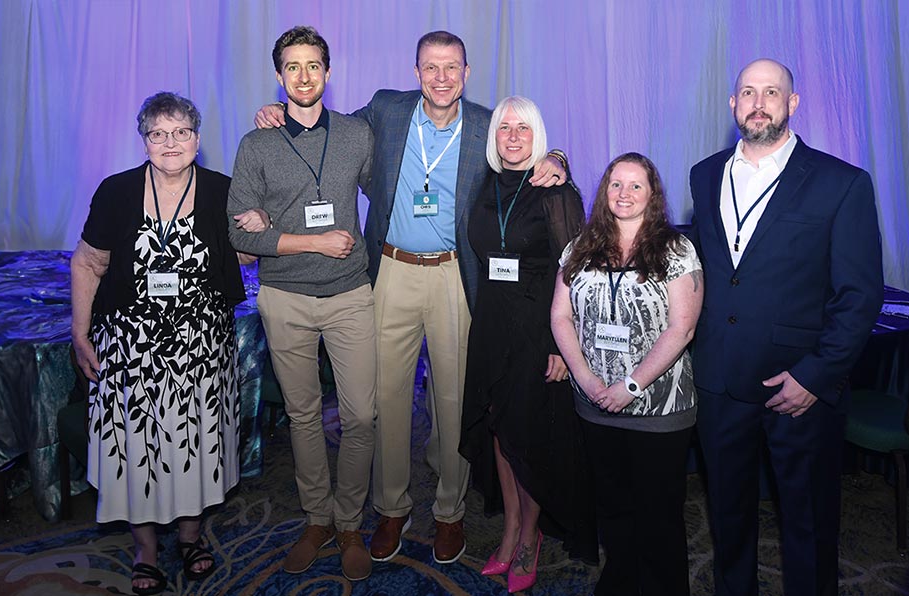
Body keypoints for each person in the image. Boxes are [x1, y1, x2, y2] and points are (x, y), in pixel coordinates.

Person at [254, 31, 568, 564]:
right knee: (385, 400)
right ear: (416, 72)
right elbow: (325, 132)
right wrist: (277, 112)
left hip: (455, 277)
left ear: (466, 73)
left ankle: (450, 512)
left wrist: (555, 155)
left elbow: (527, 146)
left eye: (451, 68)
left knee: (453, 400)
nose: (441, 77)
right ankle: (392, 508)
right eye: (430, 68)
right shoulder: (386, 109)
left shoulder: (487, 124)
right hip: (391, 271)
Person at [689, 59, 882, 596]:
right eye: (747, 92)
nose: (758, 101)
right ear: (732, 105)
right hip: (720, 380)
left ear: (792, 104)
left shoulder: (841, 183)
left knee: (808, 522)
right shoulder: (704, 175)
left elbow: (859, 297)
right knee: (727, 518)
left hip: (796, 387)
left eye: (771, 92)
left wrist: (816, 378)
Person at [71, 92, 249, 595]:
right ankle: (146, 549)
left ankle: (192, 538)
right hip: (130, 349)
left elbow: (246, 260)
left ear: (197, 138)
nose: (170, 143)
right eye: (158, 134)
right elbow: (88, 263)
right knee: (135, 449)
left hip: (201, 349)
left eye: (181, 133)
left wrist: (258, 227)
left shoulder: (220, 190)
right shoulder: (116, 191)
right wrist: (79, 332)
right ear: (144, 140)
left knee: (195, 446)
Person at [226, 26, 377, 582]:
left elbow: (383, 192)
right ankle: (317, 519)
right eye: (293, 67)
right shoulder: (256, 143)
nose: (304, 76)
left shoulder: (358, 134)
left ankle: (350, 522)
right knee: (303, 414)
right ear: (279, 75)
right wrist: (305, 240)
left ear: (329, 73)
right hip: (284, 297)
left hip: (349, 294)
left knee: (362, 414)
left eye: (314, 65)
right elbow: (240, 236)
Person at [458, 96, 595, 592]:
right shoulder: (486, 183)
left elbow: (576, 272)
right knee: (500, 427)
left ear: (537, 134)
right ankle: (511, 527)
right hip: (491, 324)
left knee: (530, 434)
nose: (512, 136)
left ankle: (531, 535)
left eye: (523, 127)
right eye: (503, 127)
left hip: (539, 328)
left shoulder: (556, 191)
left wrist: (565, 346)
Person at [551, 153, 703, 596]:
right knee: (614, 508)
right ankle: (619, 583)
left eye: (636, 185)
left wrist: (631, 385)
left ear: (652, 194)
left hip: (659, 409)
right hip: (596, 405)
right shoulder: (579, 247)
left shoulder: (676, 249)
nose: (624, 193)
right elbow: (560, 317)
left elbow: (683, 327)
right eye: (616, 184)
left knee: (659, 514)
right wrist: (589, 382)